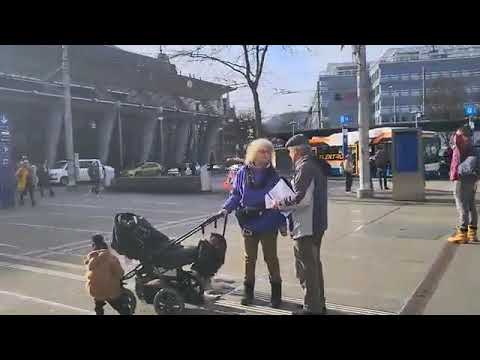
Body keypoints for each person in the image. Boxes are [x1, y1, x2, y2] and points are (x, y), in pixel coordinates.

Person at [219, 138, 286, 308]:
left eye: (269, 152)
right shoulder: (242, 172)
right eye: (263, 151)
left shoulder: (273, 175)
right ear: (254, 153)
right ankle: (248, 293)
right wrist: (226, 208)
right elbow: (235, 195)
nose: (266, 155)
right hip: (248, 221)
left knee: (271, 259)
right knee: (250, 259)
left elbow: (281, 199)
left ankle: (276, 295)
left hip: (269, 222)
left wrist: (282, 222)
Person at [273, 134, 330, 315]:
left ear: (296, 151)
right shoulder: (313, 165)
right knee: (313, 265)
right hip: (316, 224)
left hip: (306, 225)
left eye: (290, 152)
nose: (290, 156)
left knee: (306, 269)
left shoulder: (304, 167)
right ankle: (318, 303)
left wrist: (280, 203)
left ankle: (311, 307)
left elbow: (301, 199)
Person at [84, 234, 131, 315]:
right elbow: (119, 273)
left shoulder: (91, 258)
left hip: (95, 289)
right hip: (110, 289)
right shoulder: (110, 257)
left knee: (98, 304)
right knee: (122, 309)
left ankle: (99, 311)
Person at [448, 126, 478, 244]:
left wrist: (458, 170)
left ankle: (462, 233)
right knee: (471, 205)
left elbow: (453, 142)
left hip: (461, 178)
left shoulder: (461, 143)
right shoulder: (473, 146)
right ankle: (472, 233)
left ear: (462, 135)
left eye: (458, 134)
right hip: (472, 178)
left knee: (461, 205)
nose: (456, 136)